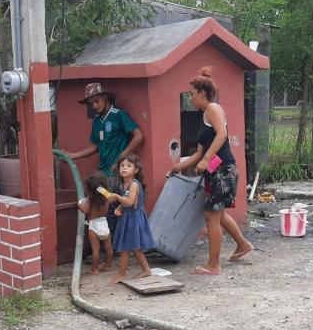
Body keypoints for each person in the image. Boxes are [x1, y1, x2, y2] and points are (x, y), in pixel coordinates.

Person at [168, 67, 253, 275]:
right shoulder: (204, 116)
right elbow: (199, 152)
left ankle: (214, 265)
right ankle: (243, 245)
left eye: (192, 94)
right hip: (217, 169)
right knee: (219, 214)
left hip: (222, 168)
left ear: (202, 93)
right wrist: (180, 166)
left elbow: (222, 135)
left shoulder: (213, 108)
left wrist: (207, 159)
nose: (191, 99)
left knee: (211, 215)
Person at [67, 83, 144, 233]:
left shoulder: (118, 115)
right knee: (100, 203)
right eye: (91, 104)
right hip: (102, 173)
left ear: (105, 97)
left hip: (116, 174)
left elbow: (139, 136)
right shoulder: (96, 121)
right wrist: (73, 156)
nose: (94, 106)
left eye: (97, 101)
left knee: (111, 206)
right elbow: (95, 146)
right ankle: (104, 240)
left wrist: (123, 155)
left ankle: (113, 244)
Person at [107, 154, 155, 284]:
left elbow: (129, 201)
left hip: (135, 218)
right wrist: (119, 208)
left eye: (128, 166)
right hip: (127, 217)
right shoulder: (123, 184)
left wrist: (117, 197)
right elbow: (126, 202)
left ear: (136, 170)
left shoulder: (134, 185)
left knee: (126, 247)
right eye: (122, 165)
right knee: (134, 247)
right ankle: (146, 270)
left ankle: (122, 273)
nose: (124, 168)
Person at [77, 171, 114, 275]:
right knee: (108, 247)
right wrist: (98, 188)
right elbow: (108, 195)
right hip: (104, 223)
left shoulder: (91, 199)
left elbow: (85, 210)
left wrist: (80, 205)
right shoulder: (106, 195)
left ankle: (94, 269)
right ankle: (107, 266)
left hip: (94, 225)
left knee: (96, 250)